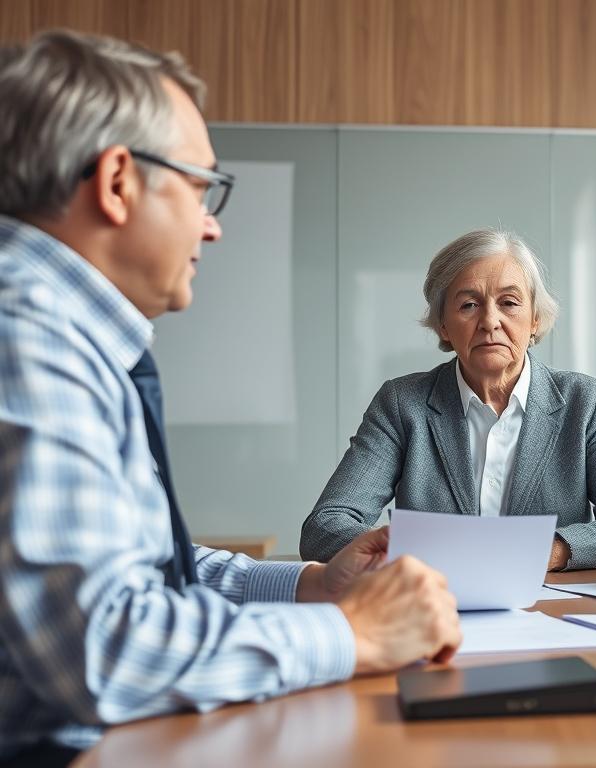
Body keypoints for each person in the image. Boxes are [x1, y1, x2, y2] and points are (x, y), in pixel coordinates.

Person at [0, 31, 461, 766]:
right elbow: (107, 652)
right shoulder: (25, 340)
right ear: (118, 181)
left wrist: (312, 586)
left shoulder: (59, 330)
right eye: (200, 186)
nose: (211, 225)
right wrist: (354, 635)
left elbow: (152, 567)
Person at [300, 229, 596, 570]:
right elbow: (325, 526)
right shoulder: (402, 404)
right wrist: (416, 554)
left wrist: (549, 550)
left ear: (534, 318)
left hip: (550, 610)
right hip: (435, 607)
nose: (490, 321)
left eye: (509, 302)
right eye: (469, 305)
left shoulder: (586, 402)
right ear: (443, 325)